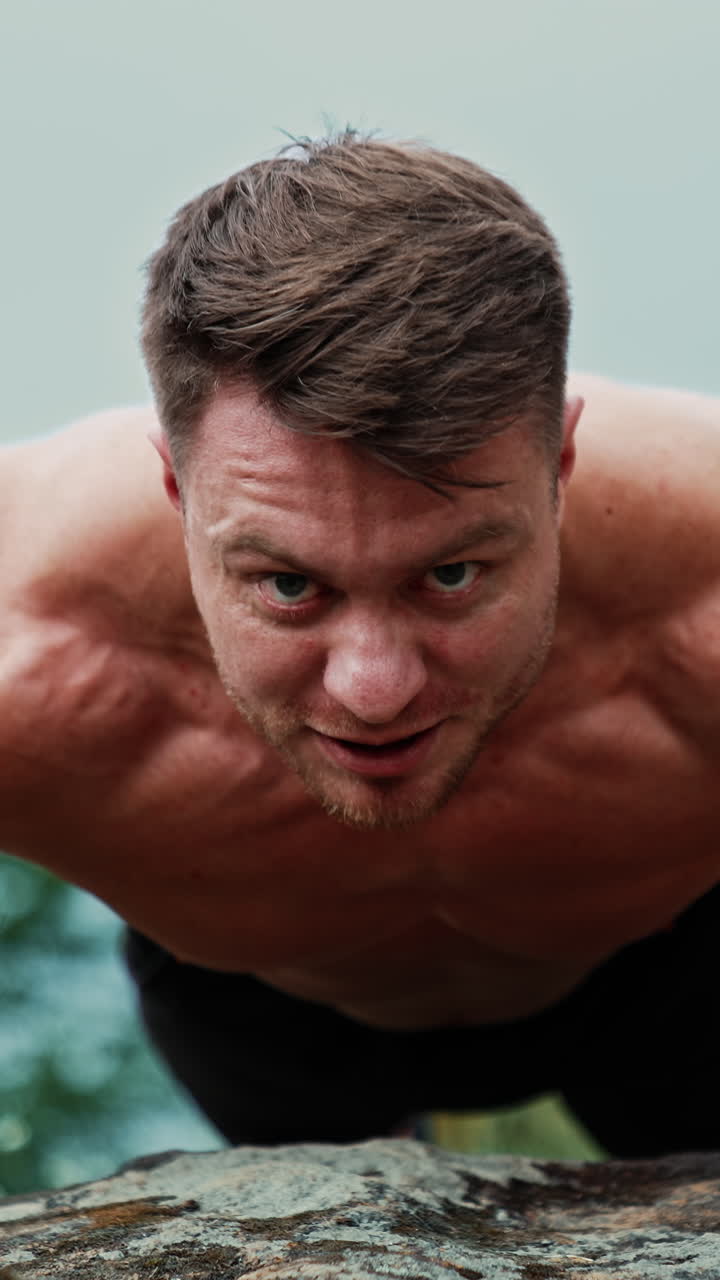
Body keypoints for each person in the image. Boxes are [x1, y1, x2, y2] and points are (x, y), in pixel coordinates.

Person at [1, 132, 719, 1159]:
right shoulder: (31, 648)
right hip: (261, 1010)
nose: (376, 690)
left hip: (678, 975)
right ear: (177, 483)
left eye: (451, 574)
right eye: (289, 585)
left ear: (562, 458)